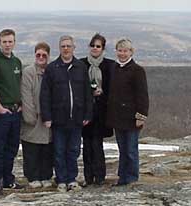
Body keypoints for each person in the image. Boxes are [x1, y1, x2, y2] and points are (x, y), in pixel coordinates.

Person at [40, 35, 92, 192]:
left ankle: (72, 179)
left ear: (74, 48)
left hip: (76, 118)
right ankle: (61, 179)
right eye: (63, 46)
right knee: (59, 150)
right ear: (59, 48)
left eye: (69, 46)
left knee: (74, 150)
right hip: (58, 119)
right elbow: (45, 95)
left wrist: (88, 114)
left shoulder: (81, 67)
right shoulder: (52, 68)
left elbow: (87, 93)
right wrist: (47, 117)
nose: (66, 49)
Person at [107, 38, 149, 186]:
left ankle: (131, 179)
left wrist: (141, 116)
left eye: (125, 51)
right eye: (120, 50)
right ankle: (122, 177)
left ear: (131, 52)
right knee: (122, 150)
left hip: (132, 118)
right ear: (116, 51)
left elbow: (142, 95)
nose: (122, 54)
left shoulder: (137, 70)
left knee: (131, 150)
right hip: (117, 117)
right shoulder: (113, 68)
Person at [0, 29, 23, 195]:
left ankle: (8, 179)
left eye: (10, 41)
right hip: (1, 113)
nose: (8, 45)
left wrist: (21, 104)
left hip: (16, 112)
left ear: (14, 42)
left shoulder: (17, 62)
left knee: (12, 148)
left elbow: (18, 84)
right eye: (5, 42)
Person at [80, 33, 114, 186]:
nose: (95, 48)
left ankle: (100, 176)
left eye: (98, 46)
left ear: (103, 49)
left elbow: (114, 89)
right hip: (85, 111)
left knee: (97, 145)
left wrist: (102, 92)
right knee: (86, 145)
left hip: (102, 111)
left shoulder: (110, 65)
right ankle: (88, 177)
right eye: (93, 45)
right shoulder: (81, 65)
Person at [21, 42, 53, 189]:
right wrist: (30, 117)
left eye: (44, 55)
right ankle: (33, 176)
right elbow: (26, 96)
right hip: (33, 118)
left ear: (48, 56)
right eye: (38, 55)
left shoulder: (51, 71)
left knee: (47, 150)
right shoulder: (28, 72)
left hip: (49, 118)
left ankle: (46, 175)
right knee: (32, 149)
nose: (41, 57)